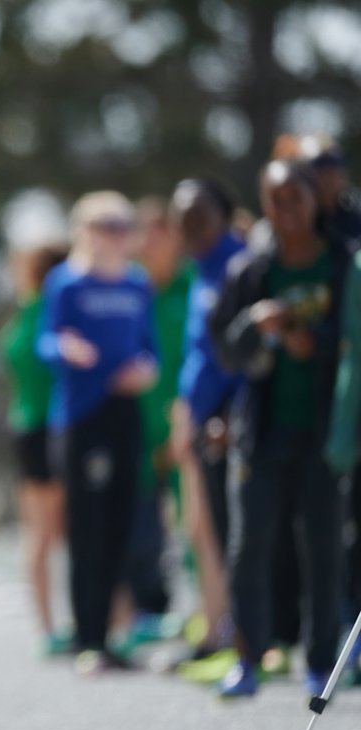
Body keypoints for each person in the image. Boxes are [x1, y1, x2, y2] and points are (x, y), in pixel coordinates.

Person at [208, 159, 349, 699]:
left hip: (323, 434)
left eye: (296, 198)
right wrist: (254, 325)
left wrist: (313, 342)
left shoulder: (341, 264)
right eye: (275, 200)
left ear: (314, 202)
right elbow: (224, 347)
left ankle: (319, 664)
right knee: (250, 547)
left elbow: (348, 344)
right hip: (261, 434)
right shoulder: (251, 270)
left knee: (322, 548)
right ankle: (248, 658)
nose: (286, 210)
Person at [37, 191, 158, 674]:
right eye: (103, 224)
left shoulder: (138, 284)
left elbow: (150, 348)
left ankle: (113, 635)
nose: (113, 234)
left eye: (121, 224)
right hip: (82, 415)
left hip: (125, 409)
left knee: (123, 524)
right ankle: (89, 638)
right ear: (82, 230)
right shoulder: (66, 283)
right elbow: (46, 340)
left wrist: (148, 368)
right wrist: (65, 347)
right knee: (87, 528)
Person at [167, 178, 245, 679]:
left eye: (198, 215)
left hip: (229, 416)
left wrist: (226, 416)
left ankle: (242, 638)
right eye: (182, 217)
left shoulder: (240, 263)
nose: (189, 225)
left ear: (224, 214)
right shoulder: (200, 266)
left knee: (230, 527)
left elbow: (240, 355)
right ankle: (216, 628)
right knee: (201, 527)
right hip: (197, 413)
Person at [115, 197, 192, 649]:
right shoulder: (132, 288)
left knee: (197, 527)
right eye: (143, 232)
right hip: (138, 428)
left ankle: (206, 616)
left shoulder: (194, 284)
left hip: (187, 425)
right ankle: (148, 616)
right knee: (140, 529)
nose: (150, 241)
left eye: (160, 231)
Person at [0, 243, 69, 655]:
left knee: (41, 534)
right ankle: (63, 625)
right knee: (54, 533)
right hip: (44, 427)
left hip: (27, 426)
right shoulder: (43, 311)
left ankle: (48, 626)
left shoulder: (29, 313)